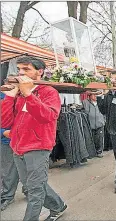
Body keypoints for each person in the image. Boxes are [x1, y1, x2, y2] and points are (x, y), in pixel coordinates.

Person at [1, 56, 67, 221]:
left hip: (38, 147)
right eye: (20, 69)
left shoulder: (49, 92)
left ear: (40, 72)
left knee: (35, 191)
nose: (21, 73)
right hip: (18, 147)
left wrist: (29, 94)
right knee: (33, 186)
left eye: (26, 69)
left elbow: (48, 116)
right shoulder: (18, 94)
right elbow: (4, 121)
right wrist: (9, 97)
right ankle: (58, 206)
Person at [82, 92, 105, 158]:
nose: (95, 96)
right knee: (90, 139)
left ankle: (99, 152)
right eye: (94, 94)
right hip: (90, 124)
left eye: (96, 95)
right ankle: (91, 153)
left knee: (99, 139)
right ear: (90, 95)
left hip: (100, 123)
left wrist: (104, 120)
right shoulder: (85, 102)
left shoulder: (101, 102)